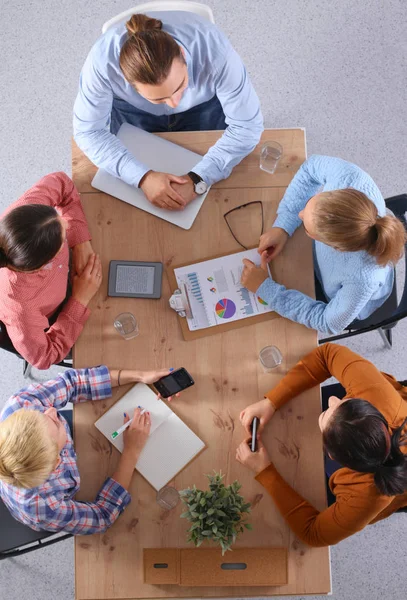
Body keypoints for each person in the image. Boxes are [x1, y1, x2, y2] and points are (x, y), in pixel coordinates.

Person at [73, 12, 263, 211]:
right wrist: (142, 177)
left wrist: (198, 179)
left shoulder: (216, 51)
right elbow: (90, 132)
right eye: (159, 98)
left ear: (182, 52)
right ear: (126, 81)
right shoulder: (101, 64)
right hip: (134, 111)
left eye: (180, 85)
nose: (173, 104)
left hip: (203, 107)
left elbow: (247, 126)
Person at [236, 343, 407, 547]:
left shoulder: (367, 497)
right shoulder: (378, 395)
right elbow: (327, 354)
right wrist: (271, 402)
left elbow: (313, 534)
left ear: (332, 457)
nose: (333, 399)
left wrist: (264, 471)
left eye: (326, 413)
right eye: (346, 402)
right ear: (367, 407)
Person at [0, 364, 176, 534]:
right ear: (56, 462)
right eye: (55, 423)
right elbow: (102, 517)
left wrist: (139, 376)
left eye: (40, 414)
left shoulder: (20, 405)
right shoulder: (42, 508)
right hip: (50, 504)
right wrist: (131, 450)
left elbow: (72, 383)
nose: (52, 410)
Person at [240, 155, 406, 335]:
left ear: (336, 248)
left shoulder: (362, 280)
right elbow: (310, 168)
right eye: (311, 205)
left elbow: (328, 323)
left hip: (343, 298)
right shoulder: (351, 177)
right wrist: (283, 225)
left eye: (307, 227)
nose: (300, 214)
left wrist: (266, 290)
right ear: (345, 190)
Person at [0, 172, 102, 369]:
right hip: (64, 316)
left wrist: (80, 242)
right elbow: (44, 357)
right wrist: (79, 300)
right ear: (43, 264)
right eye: (64, 238)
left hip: (71, 278)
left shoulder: (27, 213)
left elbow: (62, 183)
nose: (66, 223)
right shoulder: (20, 309)